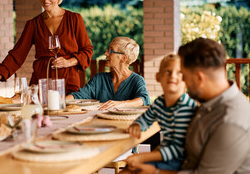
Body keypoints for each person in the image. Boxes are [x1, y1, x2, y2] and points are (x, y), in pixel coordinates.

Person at [124, 38, 250, 174]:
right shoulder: (210, 102)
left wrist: (155, 171)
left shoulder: (231, 122)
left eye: (183, 75)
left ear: (199, 78)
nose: (181, 80)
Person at [0, 0, 93, 95]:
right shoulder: (33, 24)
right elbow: (17, 55)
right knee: (37, 112)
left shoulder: (74, 19)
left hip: (68, 79)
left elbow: (87, 50)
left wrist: (69, 62)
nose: (46, 0)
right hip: (42, 80)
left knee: (68, 111)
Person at [123, 54, 197, 172]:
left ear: (186, 79)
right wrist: (138, 125)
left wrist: (142, 156)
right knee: (128, 170)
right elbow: (146, 118)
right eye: (168, 71)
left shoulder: (185, 106)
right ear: (158, 77)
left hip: (182, 161)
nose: (173, 76)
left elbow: (179, 148)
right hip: (165, 155)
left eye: (179, 73)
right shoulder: (160, 103)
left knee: (136, 169)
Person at [66, 37, 150, 110]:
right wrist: (59, 101)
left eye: (111, 51)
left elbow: (143, 99)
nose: (106, 53)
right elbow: (78, 95)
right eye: (108, 50)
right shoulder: (99, 79)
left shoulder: (137, 80)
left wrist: (120, 104)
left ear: (124, 58)